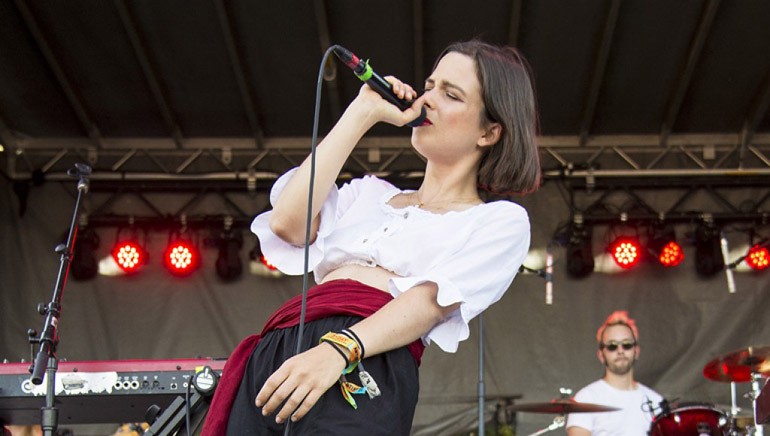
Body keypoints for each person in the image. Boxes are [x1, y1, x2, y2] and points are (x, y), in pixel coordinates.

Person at [201, 39, 541, 435]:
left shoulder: (497, 221)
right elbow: (287, 223)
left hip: (364, 357)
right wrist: (361, 112)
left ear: (489, 132)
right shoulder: (368, 193)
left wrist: (338, 350)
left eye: (451, 94)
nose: (428, 99)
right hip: (282, 349)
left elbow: (429, 302)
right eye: (429, 85)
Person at [566, 311, 663, 436]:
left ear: (636, 351)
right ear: (601, 355)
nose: (620, 351)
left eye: (626, 345)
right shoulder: (586, 399)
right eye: (612, 346)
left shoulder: (655, 401)